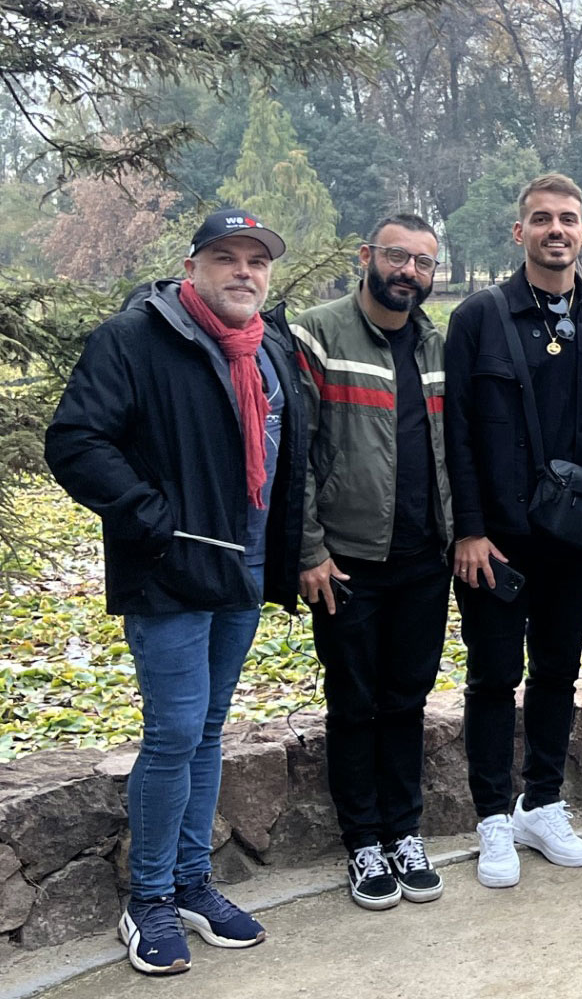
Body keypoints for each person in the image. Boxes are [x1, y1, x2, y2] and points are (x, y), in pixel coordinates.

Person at [46, 208, 303, 974]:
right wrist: (147, 516)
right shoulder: (134, 339)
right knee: (173, 733)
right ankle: (149, 898)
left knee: (210, 729)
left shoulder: (268, 351)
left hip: (243, 570)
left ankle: (192, 881)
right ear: (191, 267)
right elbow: (76, 441)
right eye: (226, 257)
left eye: (257, 261)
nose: (244, 272)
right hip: (169, 572)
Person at [443, 173, 582, 887]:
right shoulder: (478, 319)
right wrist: (468, 529)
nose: (557, 230)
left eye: (570, 220)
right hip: (494, 539)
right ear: (517, 232)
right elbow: (455, 431)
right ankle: (492, 818)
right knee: (494, 676)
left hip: (572, 537)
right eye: (542, 219)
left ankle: (542, 803)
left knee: (556, 673)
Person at [291, 213, 451, 910]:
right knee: (354, 703)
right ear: (367, 257)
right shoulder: (317, 333)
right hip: (348, 563)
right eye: (396, 257)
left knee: (407, 700)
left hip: (424, 558)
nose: (407, 272)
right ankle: (363, 843)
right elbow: (295, 451)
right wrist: (309, 549)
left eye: (421, 262)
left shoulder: (435, 343)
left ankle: (404, 831)